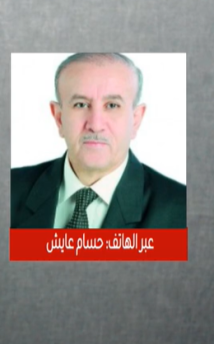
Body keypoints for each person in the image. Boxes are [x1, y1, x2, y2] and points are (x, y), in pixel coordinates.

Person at [10, 52, 186, 229]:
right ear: (59, 118)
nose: (95, 125)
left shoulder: (182, 210)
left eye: (112, 105)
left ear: (135, 120)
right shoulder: (7, 190)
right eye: (80, 104)